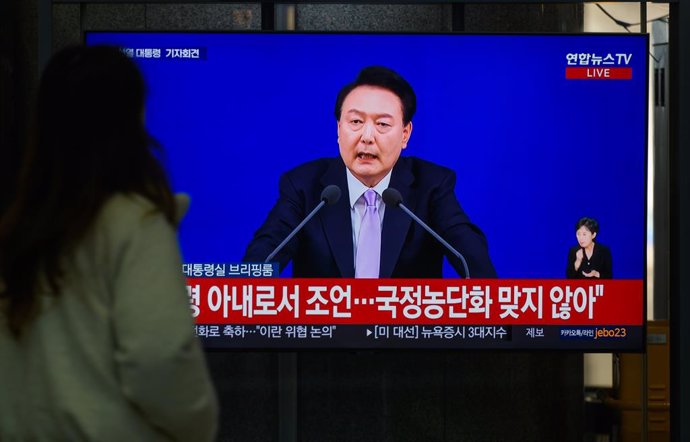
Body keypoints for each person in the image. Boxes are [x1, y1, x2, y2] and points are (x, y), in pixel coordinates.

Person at [0, 45, 218, 441]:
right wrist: (199, 426)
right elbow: (158, 358)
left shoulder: (15, 230)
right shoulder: (136, 223)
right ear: (133, 121)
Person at [243, 66, 496, 278]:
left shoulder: (431, 186)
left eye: (382, 124)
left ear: (405, 134)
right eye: (355, 122)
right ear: (339, 129)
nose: (367, 137)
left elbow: (474, 263)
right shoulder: (304, 186)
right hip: (324, 336)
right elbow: (260, 262)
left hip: (405, 335)